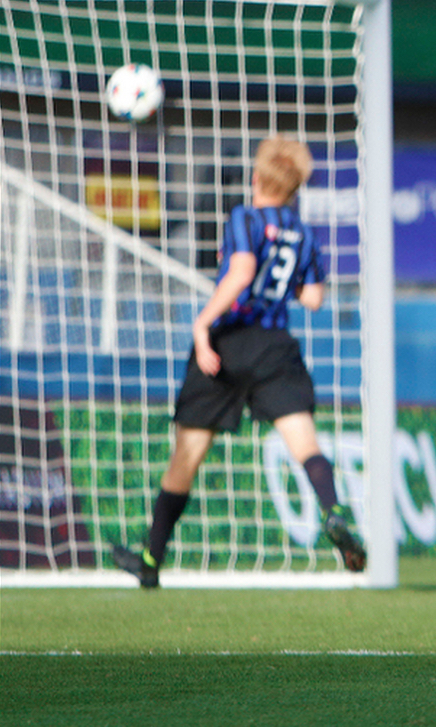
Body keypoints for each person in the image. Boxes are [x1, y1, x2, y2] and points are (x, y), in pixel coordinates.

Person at [111, 136, 365, 588]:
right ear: (294, 186)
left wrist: (202, 324)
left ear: (257, 177)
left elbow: (242, 272)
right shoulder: (302, 232)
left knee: (186, 457)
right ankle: (334, 510)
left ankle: (152, 560)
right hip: (275, 346)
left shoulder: (244, 218)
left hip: (227, 342)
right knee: (305, 445)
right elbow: (313, 298)